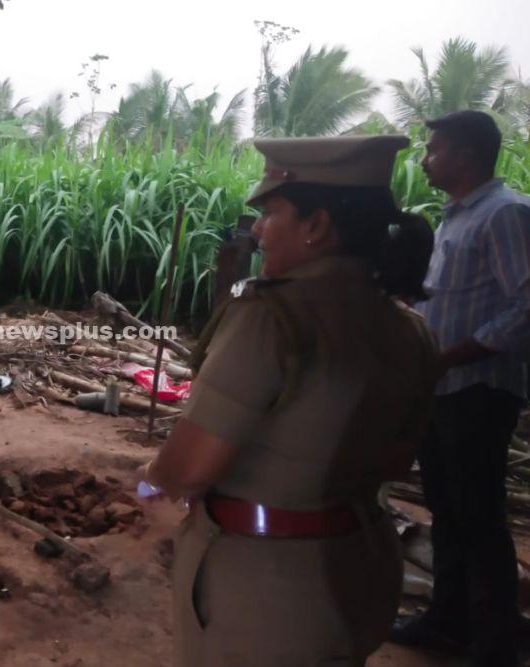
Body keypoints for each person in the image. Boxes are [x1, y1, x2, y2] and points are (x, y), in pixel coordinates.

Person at [139, 135, 439, 666]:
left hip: (268, 586)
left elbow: (188, 467)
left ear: (316, 226)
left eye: (271, 213)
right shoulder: (411, 329)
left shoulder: (272, 318)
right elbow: (397, 460)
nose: (257, 230)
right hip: (363, 563)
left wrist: (150, 478)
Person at [391, 110, 530, 667]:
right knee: (448, 509)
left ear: (466, 155)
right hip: (444, 386)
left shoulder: (505, 213)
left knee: (478, 516)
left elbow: (525, 307)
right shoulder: (456, 218)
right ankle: (448, 622)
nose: (425, 160)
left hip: (477, 388)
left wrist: (450, 355)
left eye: (434, 149)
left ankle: (495, 645)